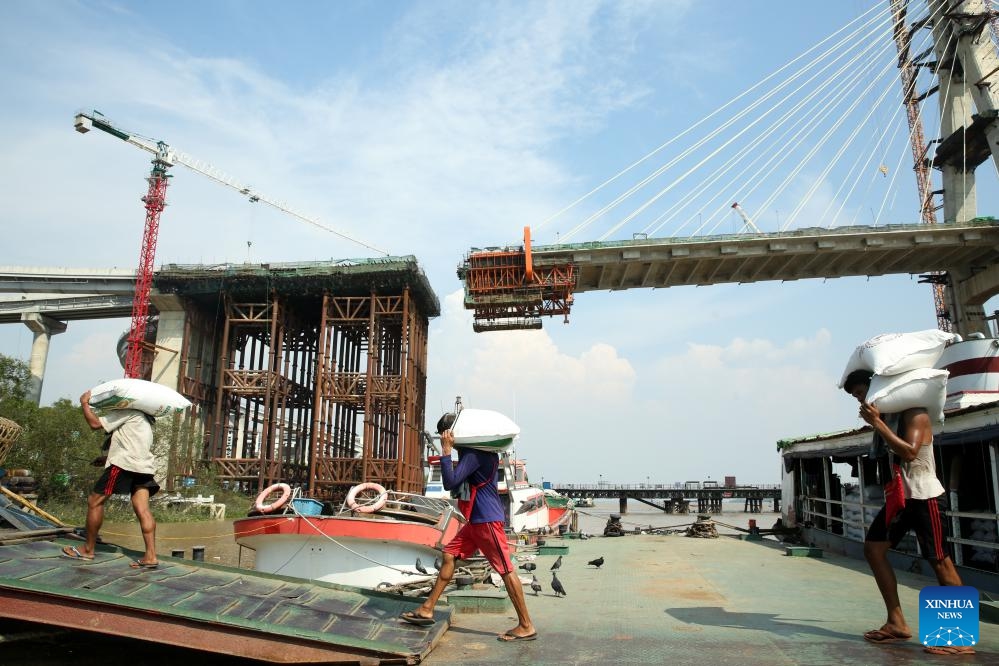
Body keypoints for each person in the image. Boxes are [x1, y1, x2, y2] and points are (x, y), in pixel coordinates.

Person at [842, 369, 973, 656]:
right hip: (902, 498)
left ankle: (961, 638)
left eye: (862, 393)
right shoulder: (891, 418)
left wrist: (877, 423)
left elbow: (910, 453)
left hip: (925, 497)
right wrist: (880, 423)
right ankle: (896, 622)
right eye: (856, 397)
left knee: (941, 562)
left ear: (876, 388)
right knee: (874, 549)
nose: (861, 400)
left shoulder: (916, 415)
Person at [400, 413, 537, 642]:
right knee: (449, 554)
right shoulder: (481, 452)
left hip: (486, 521)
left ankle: (526, 625)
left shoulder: (473, 455)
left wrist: (445, 451)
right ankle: (427, 608)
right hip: (475, 520)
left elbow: (450, 482)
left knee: (505, 569)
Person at [61, 390, 161, 569]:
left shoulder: (127, 412)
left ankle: (88, 550)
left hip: (123, 466)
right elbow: (132, 446)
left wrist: (84, 403)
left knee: (95, 501)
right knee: (143, 510)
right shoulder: (145, 420)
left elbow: (94, 424)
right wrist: (105, 459)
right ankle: (151, 556)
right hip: (144, 469)